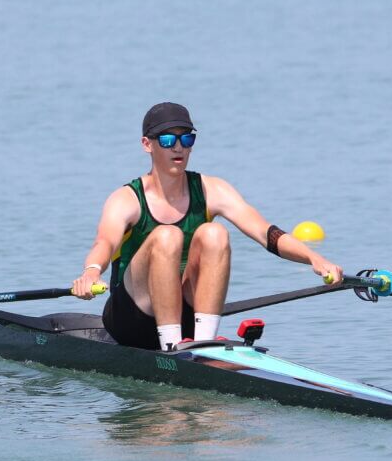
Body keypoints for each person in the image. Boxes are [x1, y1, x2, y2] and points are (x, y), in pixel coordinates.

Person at [72, 102, 343, 351]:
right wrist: (91, 273)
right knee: (167, 235)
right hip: (132, 318)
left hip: (185, 314)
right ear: (147, 144)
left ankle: (202, 342)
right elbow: (104, 243)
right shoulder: (127, 198)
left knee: (215, 233)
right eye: (167, 140)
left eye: (186, 138)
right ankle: (171, 346)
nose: (178, 147)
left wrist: (314, 259)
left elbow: (266, 233)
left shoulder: (212, 189)